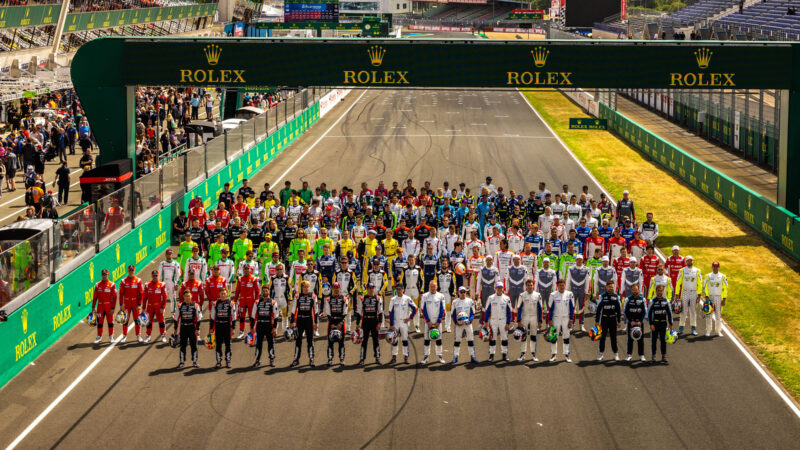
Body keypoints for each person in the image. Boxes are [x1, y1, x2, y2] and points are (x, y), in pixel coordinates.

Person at [290, 280, 317, 367]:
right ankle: (296, 359)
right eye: (304, 287)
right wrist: (292, 321)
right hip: (300, 320)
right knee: (298, 340)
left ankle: (311, 359)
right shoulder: (297, 296)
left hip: (309, 320)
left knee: (310, 340)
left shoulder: (313, 296)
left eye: (307, 287)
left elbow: (316, 311)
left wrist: (316, 323)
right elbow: (293, 309)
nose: (306, 289)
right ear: (301, 288)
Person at [483, 281, 512, 362]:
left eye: (500, 288)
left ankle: (504, 355)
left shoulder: (507, 298)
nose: (499, 289)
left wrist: (508, 323)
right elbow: (487, 310)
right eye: (498, 287)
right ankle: (491, 355)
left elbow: (509, 312)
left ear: (503, 288)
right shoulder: (491, 298)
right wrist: (485, 321)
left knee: (504, 338)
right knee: (492, 338)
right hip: (493, 321)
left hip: (503, 321)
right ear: (495, 288)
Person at [548, 279, 575, 362]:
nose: (561, 287)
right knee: (553, 337)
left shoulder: (569, 294)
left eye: (563, 285)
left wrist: (571, 319)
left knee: (566, 337)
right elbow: (550, 308)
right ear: (557, 286)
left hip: (566, 318)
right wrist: (550, 319)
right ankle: (553, 354)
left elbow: (572, 308)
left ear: (565, 285)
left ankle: (566, 355)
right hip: (555, 318)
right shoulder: (553, 295)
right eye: (560, 285)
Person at [388, 283, 417, 364]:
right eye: (397, 289)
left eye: (400, 289)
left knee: (404, 340)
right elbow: (390, 312)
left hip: (404, 322)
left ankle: (406, 357)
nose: (399, 291)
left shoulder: (407, 298)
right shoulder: (393, 299)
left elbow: (415, 308)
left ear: (403, 290)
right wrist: (391, 324)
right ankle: (394, 357)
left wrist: (410, 318)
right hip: (396, 322)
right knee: (394, 340)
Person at [516, 279, 542, 362]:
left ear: (533, 286)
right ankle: (522, 354)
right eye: (528, 285)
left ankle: (533, 354)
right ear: (526, 286)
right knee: (523, 336)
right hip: (525, 317)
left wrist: (540, 321)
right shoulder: (522, 295)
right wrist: (519, 320)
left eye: (531, 285)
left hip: (534, 317)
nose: (530, 287)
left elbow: (540, 309)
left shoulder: (538, 295)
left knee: (533, 336)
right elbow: (519, 308)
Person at [251, 285, 278, 367]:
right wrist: (252, 327)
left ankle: (271, 359)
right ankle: (257, 360)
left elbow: (276, 316)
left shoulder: (273, 302)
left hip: (269, 325)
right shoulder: (257, 302)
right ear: (261, 292)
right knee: (259, 343)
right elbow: (253, 315)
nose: (265, 292)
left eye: (266, 291)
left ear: (269, 291)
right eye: (263, 291)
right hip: (260, 325)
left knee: (270, 343)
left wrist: (275, 327)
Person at [595, 281, 622, 361]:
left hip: (613, 320)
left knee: (614, 338)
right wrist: (597, 321)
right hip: (604, 319)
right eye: (609, 287)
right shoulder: (602, 296)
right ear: (606, 287)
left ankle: (615, 354)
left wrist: (619, 321)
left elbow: (619, 310)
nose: (611, 288)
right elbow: (598, 310)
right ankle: (601, 354)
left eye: (612, 287)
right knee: (602, 337)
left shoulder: (616, 297)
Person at [450, 286, 477, 364]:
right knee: (457, 340)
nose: (463, 293)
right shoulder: (455, 302)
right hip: (458, 325)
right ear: (458, 293)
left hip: (468, 324)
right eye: (461, 292)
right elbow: (452, 314)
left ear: (466, 292)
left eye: (464, 292)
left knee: (470, 340)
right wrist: (456, 322)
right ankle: (455, 357)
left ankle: (472, 356)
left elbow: (473, 313)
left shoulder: (470, 301)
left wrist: (470, 321)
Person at [358, 282, 384, 365]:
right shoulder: (362, 298)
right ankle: (362, 358)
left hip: (374, 321)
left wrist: (379, 323)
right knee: (364, 340)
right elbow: (359, 311)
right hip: (365, 321)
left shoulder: (378, 298)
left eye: (372, 288)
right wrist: (358, 324)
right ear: (367, 289)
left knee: (375, 340)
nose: (371, 289)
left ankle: (377, 357)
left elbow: (380, 312)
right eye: (369, 288)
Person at [420, 280, 445, 364]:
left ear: (437, 287)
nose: (433, 288)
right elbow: (423, 310)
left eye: (434, 286)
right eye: (431, 286)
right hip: (428, 322)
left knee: (439, 339)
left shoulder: (441, 296)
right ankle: (426, 357)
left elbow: (442, 309)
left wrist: (438, 321)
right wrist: (428, 321)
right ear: (429, 287)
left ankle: (439, 356)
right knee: (427, 339)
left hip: (438, 322)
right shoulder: (425, 296)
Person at [324, 282, 349, 366]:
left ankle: (342, 359)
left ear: (339, 288)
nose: (336, 289)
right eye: (334, 288)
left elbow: (345, 312)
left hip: (340, 323)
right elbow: (328, 312)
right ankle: (330, 359)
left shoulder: (344, 299)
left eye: (337, 288)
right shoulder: (328, 299)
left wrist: (340, 323)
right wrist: (331, 323)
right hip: (331, 322)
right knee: (330, 342)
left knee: (341, 342)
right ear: (332, 289)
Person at [676, 255, 702, 335]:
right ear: (686, 262)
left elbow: (699, 283)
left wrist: (699, 295)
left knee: (693, 311)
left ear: (692, 261)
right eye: (688, 260)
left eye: (691, 260)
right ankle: (681, 326)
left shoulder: (697, 271)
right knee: (683, 311)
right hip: (685, 292)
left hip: (694, 293)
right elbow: (678, 283)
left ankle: (693, 327)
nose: (689, 262)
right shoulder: (682, 270)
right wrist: (677, 294)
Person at [118, 265, 144, 343]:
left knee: (137, 320)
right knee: (125, 320)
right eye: (130, 270)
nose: (131, 272)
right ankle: (124, 336)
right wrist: (121, 304)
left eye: (132, 270)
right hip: (126, 303)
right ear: (128, 271)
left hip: (135, 303)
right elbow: (121, 294)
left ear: (134, 271)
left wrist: (139, 304)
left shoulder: (138, 280)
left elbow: (141, 293)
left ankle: (138, 335)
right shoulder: (123, 281)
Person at [648, 285, 673, 363]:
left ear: (663, 291)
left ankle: (664, 356)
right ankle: (653, 356)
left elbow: (669, 313)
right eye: (658, 290)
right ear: (656, 291)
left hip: (663, 324)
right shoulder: (652, 301)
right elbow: (649, 314)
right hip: (655, 324)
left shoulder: (666, 301)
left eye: (661, 290)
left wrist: (671, 323)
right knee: (654, 341)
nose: (660, 292)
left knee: (663, 341)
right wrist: (651, 324)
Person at [91, 269, 117, 344]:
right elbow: (95, 297)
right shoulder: (97, 285)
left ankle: (111, 336)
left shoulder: (112, 285)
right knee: (100, 322)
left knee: (110, 322)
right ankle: (99, 336)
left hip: (108, 306)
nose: (104, 276)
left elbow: (114, 297)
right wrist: (93, 307)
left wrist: (113, 308)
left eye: (105, 274)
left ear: (108, 275)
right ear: (101, 275)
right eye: (103, 274)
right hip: (100, 306)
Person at [703, 261, 728, 337]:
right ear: (712, 267)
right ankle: (708, 331)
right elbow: (705, 287)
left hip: (718, 297)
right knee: (709, 315)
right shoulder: (708, 276)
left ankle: (718, 331)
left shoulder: (723, 276)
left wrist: (724, 299)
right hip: (710, 297)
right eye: (714, 266)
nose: (715, 268)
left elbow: (725, 288)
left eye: (717, 267)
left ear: (719, 267)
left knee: (718, 315)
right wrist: (707, 297)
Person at [234, 264, 259, 338]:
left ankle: (252, 330)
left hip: (251, 301)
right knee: (242, 317)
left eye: (247, 269)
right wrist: (235, 300)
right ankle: (241, 331)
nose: (246, 270)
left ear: (250, 270)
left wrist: (257, 300)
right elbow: (237, 291)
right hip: (242, 301)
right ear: (243, 270)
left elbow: (257, 291)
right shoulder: (240, 279)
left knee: (252, 317)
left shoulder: (254, 279)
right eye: (245, 269)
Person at [176, 290, 200, 369]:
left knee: (194, 345)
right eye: (186, 296)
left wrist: (197, 329)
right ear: (183, 297)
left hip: (192, 328)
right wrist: (175, 329)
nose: (187, 298)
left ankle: (195, 361)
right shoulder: (179, 306)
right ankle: (182, 362)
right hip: (183, 328)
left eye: (189, 296)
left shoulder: (195, 306)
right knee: (182, 345)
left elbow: (199, 318)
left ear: (191, 296)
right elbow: (176, 318)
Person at [142, 270, 167, 343]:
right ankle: (148, 336)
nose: (155, 277)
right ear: (151, 276)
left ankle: (163, 335)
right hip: (150, 307)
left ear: (158, 276)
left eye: (156, 275)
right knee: (148, 322)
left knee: (161, 321)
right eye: (154, 276)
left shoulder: (162, 285)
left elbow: (165, 297)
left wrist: (163, 307)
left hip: (158, 307)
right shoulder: (147, 285)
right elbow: (144, 297)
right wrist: (143, 308)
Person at [623, 284, 647, 361]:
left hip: (640, 322)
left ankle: (641, 355)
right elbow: (626, 311)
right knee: (630, 339)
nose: (635, 291)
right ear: (631, 290)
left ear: (639, 290)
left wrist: (641, 321)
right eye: (633, 290)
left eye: (636, 290)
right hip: (631, 323)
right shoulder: (628, 299)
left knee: (641, 339)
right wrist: (630, 321)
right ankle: (629, 355)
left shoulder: (643, 299)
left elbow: (644, 311)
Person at [158, 249, 182, 319]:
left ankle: (173, 313)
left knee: (173, 298)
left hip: (172, 283)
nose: (169, 255)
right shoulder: (162, 263)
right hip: (164, 283)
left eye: (170, 254)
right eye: (168, 254)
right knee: (162, 298)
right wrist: (159, 284)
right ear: (165, 255)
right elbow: (159, 274)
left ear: (172, 255)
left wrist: (177, 284)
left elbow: (178, 275)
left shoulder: (176, 264)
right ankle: (162, 312)